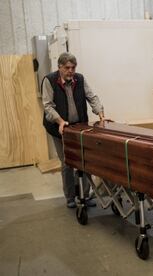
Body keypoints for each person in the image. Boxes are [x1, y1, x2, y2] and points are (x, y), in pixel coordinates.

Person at [42, 52, 105, 208]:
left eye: (73, 67)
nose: (70, 70)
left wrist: (101, 115)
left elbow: (92, 97)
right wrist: (60, 121)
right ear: (60, 67)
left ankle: (85, 194)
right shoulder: (49, 80)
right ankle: (70, 197)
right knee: (67, 162)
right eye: (67, 67)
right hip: (59, 128)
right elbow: (48, 106)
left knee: (84, 160)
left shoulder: (80, 79)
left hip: (79, 128)